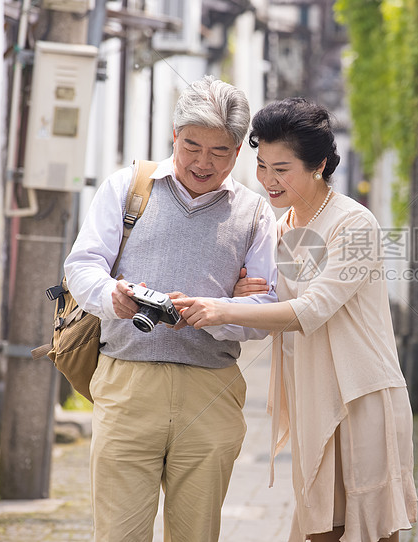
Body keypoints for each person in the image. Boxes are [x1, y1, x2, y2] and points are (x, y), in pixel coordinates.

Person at [172, 97, 418, 542]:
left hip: (361, 396)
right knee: (318, 529)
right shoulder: (281, 227)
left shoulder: (354, 224)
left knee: (369, 531)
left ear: (318, 165)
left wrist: (219, 308)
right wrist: (242, 296)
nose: (267, 179)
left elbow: (312, 308)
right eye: (262, 165)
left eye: (281, 169)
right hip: (313, 396)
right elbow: (271, 300)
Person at [63, 76, 278, 541]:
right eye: (192, 145)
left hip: (211, 389)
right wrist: (112, 298)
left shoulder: (256, 214)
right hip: (127, 383)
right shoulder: (129, 187)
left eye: (219, 151)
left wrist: (218, 312)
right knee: (119, 534)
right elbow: (82, 265)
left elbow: (265, 308)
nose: (203, 161)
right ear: (173, 138)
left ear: (238, 151)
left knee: (196, 534)